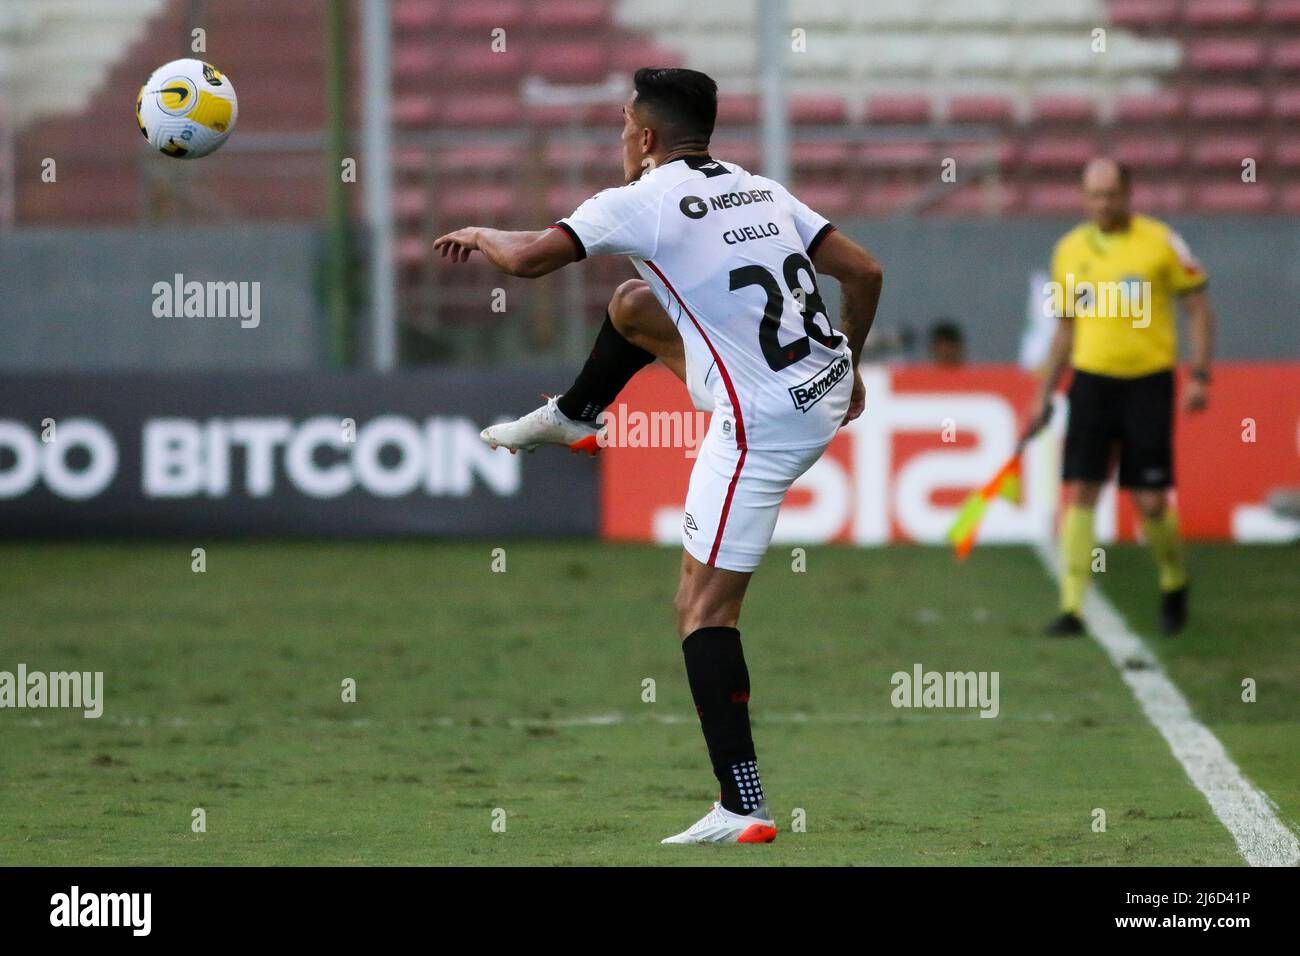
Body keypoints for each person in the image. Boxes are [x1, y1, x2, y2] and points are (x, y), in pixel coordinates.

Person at [434, 68, 883, 844]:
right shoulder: (759, 188)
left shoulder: (640, 199)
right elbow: (865, 271)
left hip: (762, 425)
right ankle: (576, 414)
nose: (619, 137)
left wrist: (483, 235)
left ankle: (743, 803)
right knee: (634, 307)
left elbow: (532, 260)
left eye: (621, 125)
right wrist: (854, 362)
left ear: (645, 137)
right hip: (822, 383)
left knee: (701, 608)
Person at [1025, 158, 1216, 637]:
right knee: (1082, 489)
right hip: (1091, 383)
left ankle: (1174, 580)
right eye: (1093, 195)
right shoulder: (1068, 250)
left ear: (1128, 193)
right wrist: (1044, 391)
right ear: (1083, 198)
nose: (1102, 203)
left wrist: (1200, 373)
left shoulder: (1161, 242)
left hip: (1148, 384)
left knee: (1150, 500)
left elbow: (1197, 308)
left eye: (1110, 194)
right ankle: (1071, 606)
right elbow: (1064, 329)